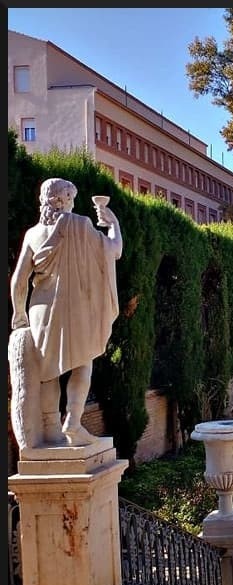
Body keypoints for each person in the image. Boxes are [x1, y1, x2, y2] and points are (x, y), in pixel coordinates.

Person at [9, 178, 123, 449]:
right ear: (66, 200)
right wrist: (113, 225)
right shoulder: (81, 225)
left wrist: (19, 313)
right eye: (71, 198)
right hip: (76, 307)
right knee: (83, 363)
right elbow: (114, 250)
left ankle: (51, 428)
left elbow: (19, 280)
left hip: (41, 310)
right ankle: (73, 420)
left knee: (48, 370)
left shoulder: (32, 234)